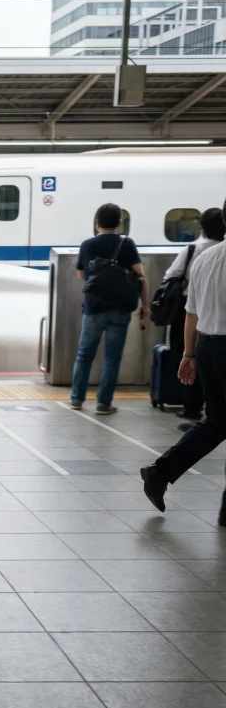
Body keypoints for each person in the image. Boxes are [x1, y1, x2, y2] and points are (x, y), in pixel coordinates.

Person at [141, 197, 226, 527]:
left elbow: (192, 312)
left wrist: (189, 354)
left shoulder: (205, 258)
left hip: (208, 347)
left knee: (218, 421)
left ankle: (160, 472)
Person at [69, 203, 149, 415]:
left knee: (85, 354)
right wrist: (145, 305)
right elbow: (140, 277)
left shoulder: (87, 245)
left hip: (94, 307)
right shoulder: (127, 244)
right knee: (112, 358)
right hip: (120, 308)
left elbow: (81, 275)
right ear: (120, 223)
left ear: (97, 223)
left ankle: (76, 399)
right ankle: (104, 403)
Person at [161, 207, 226, 424]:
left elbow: (171, 277)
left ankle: (191, 406)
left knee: (215, 421)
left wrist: (189, 354)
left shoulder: (197, 254)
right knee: (217, 422)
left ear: (202, 229)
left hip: (202, 333)